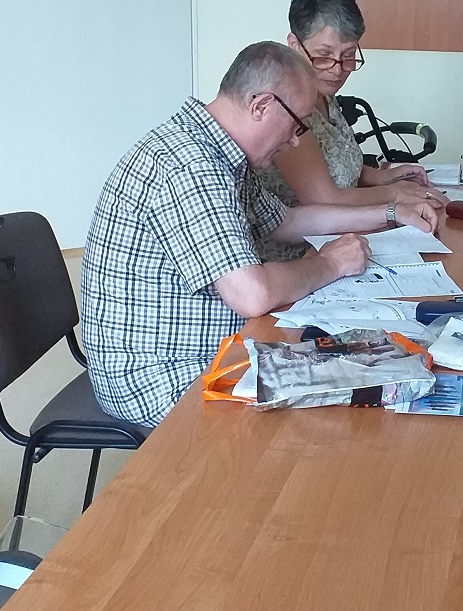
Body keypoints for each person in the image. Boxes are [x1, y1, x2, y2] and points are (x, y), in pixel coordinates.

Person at [80, 41, 440, 427]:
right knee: (351, 417)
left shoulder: (221, 152)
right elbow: (252, 295)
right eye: (297, 125)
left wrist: (388, 213)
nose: (296, 141)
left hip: (218, 351)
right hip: (165, 377)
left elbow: (288, 222)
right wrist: (331, 264)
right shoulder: (190, 166)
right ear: (262, 106)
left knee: (374, 364)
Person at [255, 0, 447, 261]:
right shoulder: (287, 107)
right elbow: (324, 197)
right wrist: (395, 195)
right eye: (324, 56)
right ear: (294, 45)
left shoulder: (324, 94)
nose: (337, 69)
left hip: (342, 235)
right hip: (300, 254)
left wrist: (383, 176)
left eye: (348, 56)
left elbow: (336, 163)